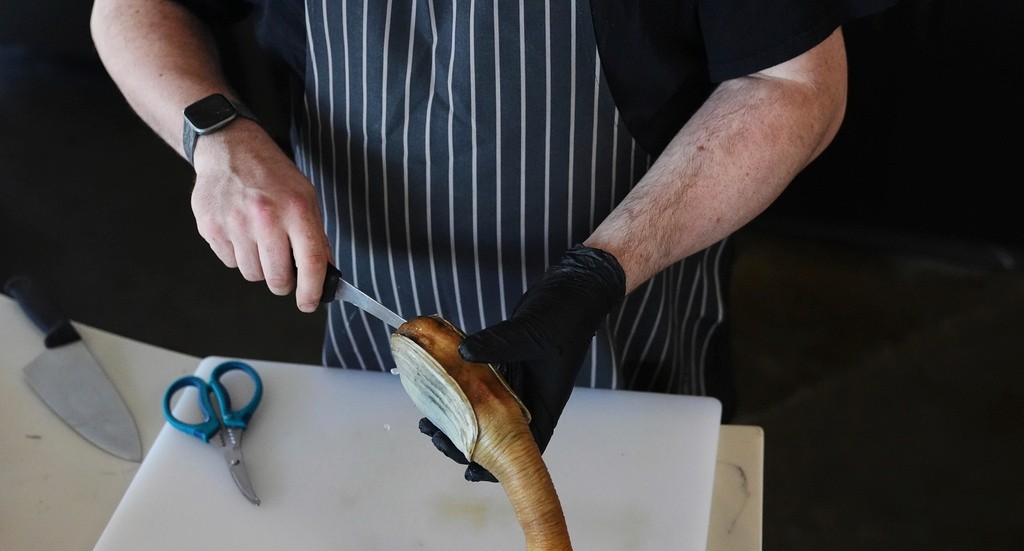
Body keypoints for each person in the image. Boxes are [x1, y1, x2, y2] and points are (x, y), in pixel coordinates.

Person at [90, 0, 897, 480]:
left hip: (628, 348)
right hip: (370, 360)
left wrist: (595, 273)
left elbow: (793, 85)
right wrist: (217, 134)